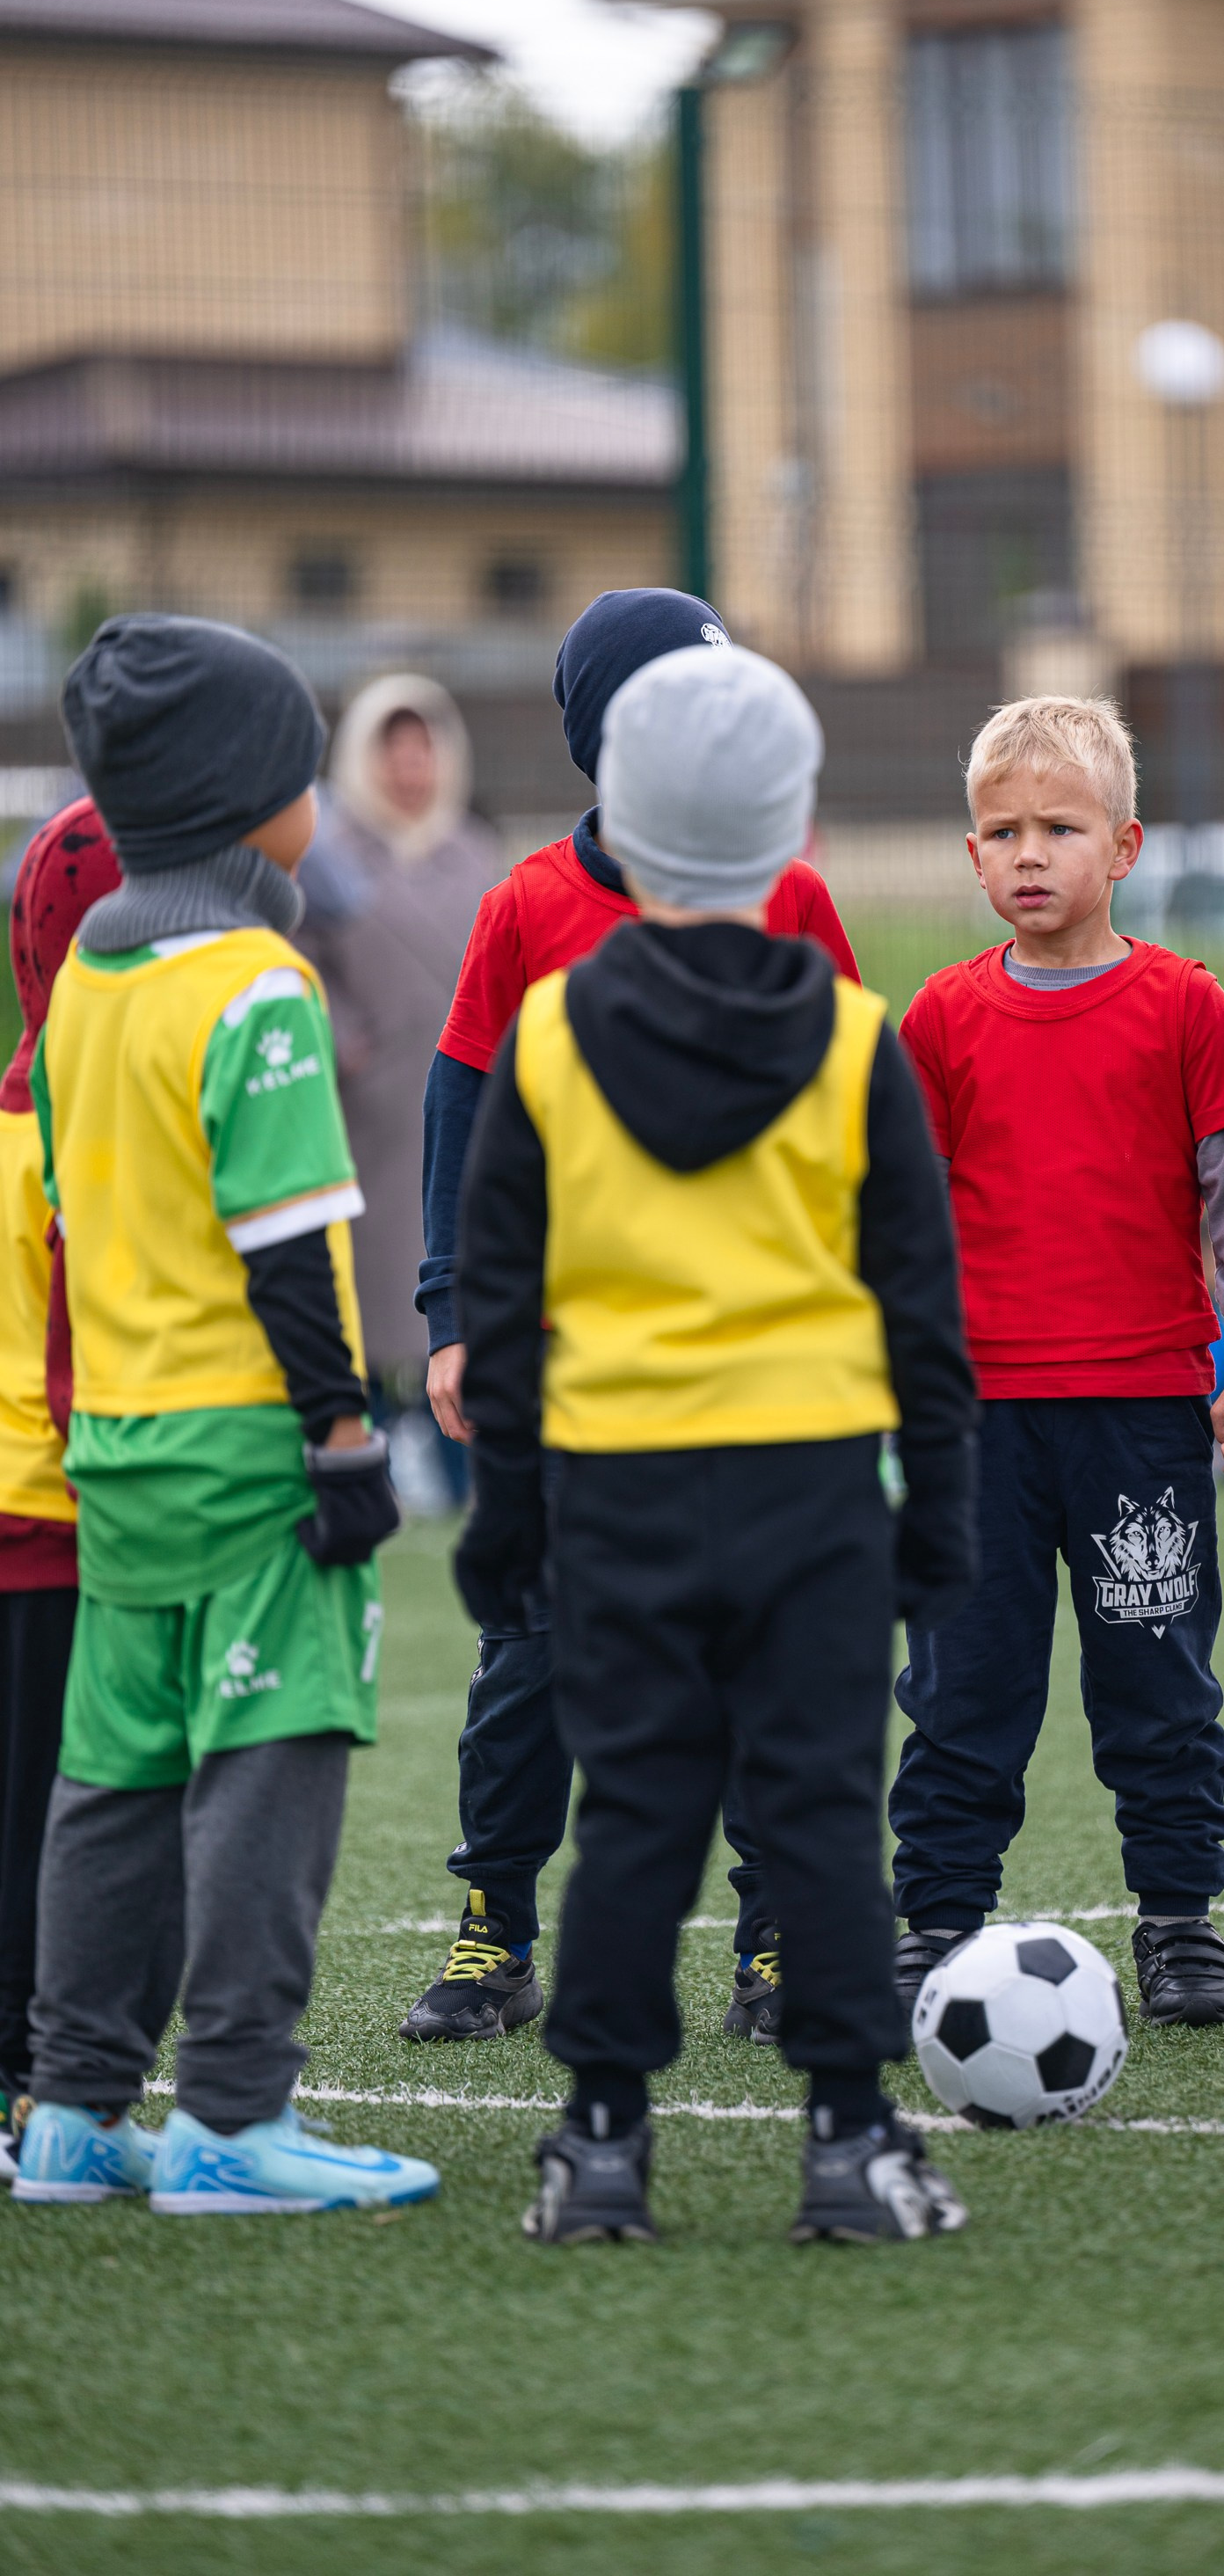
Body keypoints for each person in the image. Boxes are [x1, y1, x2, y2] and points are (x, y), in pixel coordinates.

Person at [452, 640, 978, 2244]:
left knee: (636, 1816)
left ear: (613, 810)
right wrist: (936, 1521)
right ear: (791, 824)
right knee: (817, 1812)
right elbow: (919, 1310)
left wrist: (505, 1523)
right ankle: (850, 2143)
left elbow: (504, 1302)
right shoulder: (849, 1036)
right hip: (810, 1489)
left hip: (619, 1490)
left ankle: (598, 2144)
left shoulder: (543, 1041)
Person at [13, 615, 434, 2215]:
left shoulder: (85, 988)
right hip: (252, 1447)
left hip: (116, 1449)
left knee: (111, 1776)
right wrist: (341, 1437)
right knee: (271, 1758)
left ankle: (74, 2112)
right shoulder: (258, 986)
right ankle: (236, 2116)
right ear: (248, 799)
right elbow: (285, 1249)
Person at [402, 587, 860, 2050]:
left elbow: (846, 1113)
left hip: (756, 1365)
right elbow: (462, 1112)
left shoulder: (789, 898)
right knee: (534, 1656)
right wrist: (456, 1309)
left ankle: (779, 1932)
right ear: (612, 739)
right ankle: (494, 1927)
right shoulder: (529, 907)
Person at [889, 696, 1224, 2029]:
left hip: (1140, 1413)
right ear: (971, 855)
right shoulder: (942, 1021)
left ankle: (1180, 1921)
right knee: (962, 1687)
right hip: (976, 1424)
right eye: (1002, 831)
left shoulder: (1186, 1006)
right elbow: (897, 1219)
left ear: (1121, 846)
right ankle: (936, 1921)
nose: (1028, 854)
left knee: (1157, 1678)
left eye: (1058, 828)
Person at [296, 674, 499, 1503]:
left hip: (466, 1108)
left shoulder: (479, 854)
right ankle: (371, 1454)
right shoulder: (329, 854)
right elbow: (297, 952)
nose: (410, 767)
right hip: (370, 1114)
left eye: (424, 749)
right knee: (370, 1296)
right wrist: (345, 1040)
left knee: (461, 1272)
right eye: (393, 750)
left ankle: (460, 1465)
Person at [0, 799, 120, 2179]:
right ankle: (45, 2078)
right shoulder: (83, 1145)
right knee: (65, 1817)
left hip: (37, 1523)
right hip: (68, 1525)